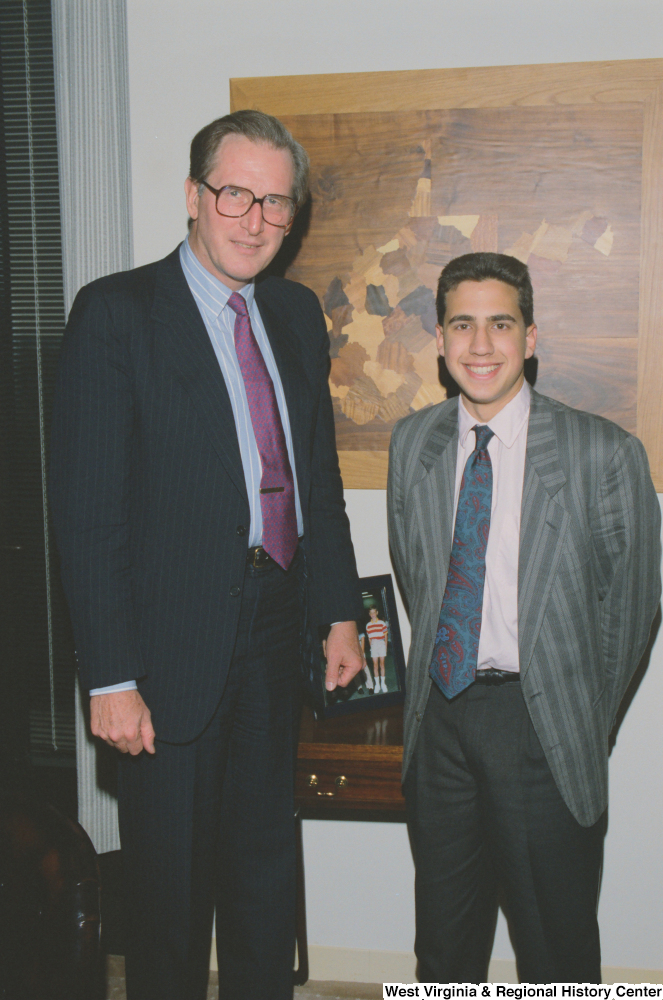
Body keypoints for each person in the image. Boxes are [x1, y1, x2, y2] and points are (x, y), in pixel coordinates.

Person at [49, 110, 364, 1000]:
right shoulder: (116, 314)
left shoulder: (297, 315)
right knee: (169, 898)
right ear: (194, 195)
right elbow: (86, 514)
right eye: (235, 194)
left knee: (266, 878)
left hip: (275, 632)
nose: (255, 219)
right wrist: (109, 675)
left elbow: (315, 481)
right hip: (164, 650)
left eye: (275, 202)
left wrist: (338, 610)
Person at [387, 252, 661, 985]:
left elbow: (631, 614)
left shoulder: (601, 454)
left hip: (538, 727)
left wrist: (574, 718)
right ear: (439, 341)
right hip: (439, 720)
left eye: (500, 325)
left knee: (553, 949)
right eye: (462, 326)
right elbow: (420, 584)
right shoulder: (412, 444)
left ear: (530, 336)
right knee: (443, 951)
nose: (481, 346)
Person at [366, 605, 389, 692]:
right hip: (374, 645)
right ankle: (377, 685)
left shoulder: (382, 623)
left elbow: (386, 636)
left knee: (382, 664)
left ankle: (383, 684)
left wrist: (385, 647)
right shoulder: (368, 625)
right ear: (369, 614)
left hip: (381, 644)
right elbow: (369, 638)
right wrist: (371, 647)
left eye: (374, 612)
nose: (373, 614)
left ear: (377, 613)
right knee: (375, 665)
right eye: (371, 613)